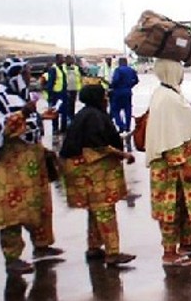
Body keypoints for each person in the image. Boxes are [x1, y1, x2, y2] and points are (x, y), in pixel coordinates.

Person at [0, 58, 63, 274]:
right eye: (26, 73)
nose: (30, 77)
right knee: (13, 211)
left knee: (38, 206)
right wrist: (24, 114)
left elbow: (27, 124)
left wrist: (40, 117)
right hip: (8, 166)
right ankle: (12, 257)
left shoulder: (22, 95)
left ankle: (42, 246)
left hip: (30, 163)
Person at [59, 84, 136, 266]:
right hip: (92, 172)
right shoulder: (95, 117)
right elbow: (98, 146)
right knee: (104, 209)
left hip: (78, 170)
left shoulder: (84, 114)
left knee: (95, 210)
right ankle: (112, 252)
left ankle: (94, 247)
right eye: (104, 96)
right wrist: (124, 154)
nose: (106, 99)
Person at [145, 59, 191, 267]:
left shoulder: (170, 94)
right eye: (179, 71)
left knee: (187, 206)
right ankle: (169, 252)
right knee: (170, 208)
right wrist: (183, 163)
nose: (182, 75)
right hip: (173, 167)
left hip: (185, 162)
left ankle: (187, 244)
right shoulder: (167, 98)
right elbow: (168, 135)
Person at [109, 57, 138, 133]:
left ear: (119, 62)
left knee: (115, 110)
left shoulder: (118, 70)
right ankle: (128, 127)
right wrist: (130, 85)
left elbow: (116, 80)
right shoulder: (131, 70)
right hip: (128, 92)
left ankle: (121, 125)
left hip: (118, 92)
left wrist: (111, 86)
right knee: (128, 110)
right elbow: (136, 80)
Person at [45, 54, 67, 134]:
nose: (64, 60)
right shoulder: (53, 69)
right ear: (57, 59)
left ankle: (64, 128)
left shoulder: (62, 68)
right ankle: (55, 128)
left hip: (63, 93)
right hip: (56, 94)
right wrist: (51, 96)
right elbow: (50, 83)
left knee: (64, 111)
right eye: (62, 58)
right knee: (55, 111)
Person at [62, 55, 83, 128]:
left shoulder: (76, 68)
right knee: (67, 105)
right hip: (66, 89)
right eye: (70, 59)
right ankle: (67, 122)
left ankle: (72, 119)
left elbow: (80, 76)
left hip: (74, 88)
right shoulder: (63, 67)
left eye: (72, 60)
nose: (72, 61)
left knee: (72, 105)